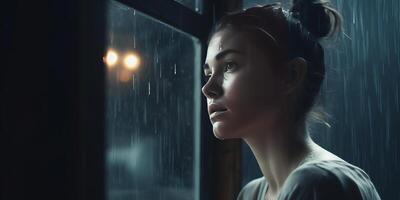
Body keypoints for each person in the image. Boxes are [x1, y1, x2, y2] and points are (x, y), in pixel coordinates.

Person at [201, 0, 382, 199]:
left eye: (229, 65)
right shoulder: (251, 194)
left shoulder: (317, 184)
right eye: (208, 73)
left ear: (291, 75)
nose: (208, 89)